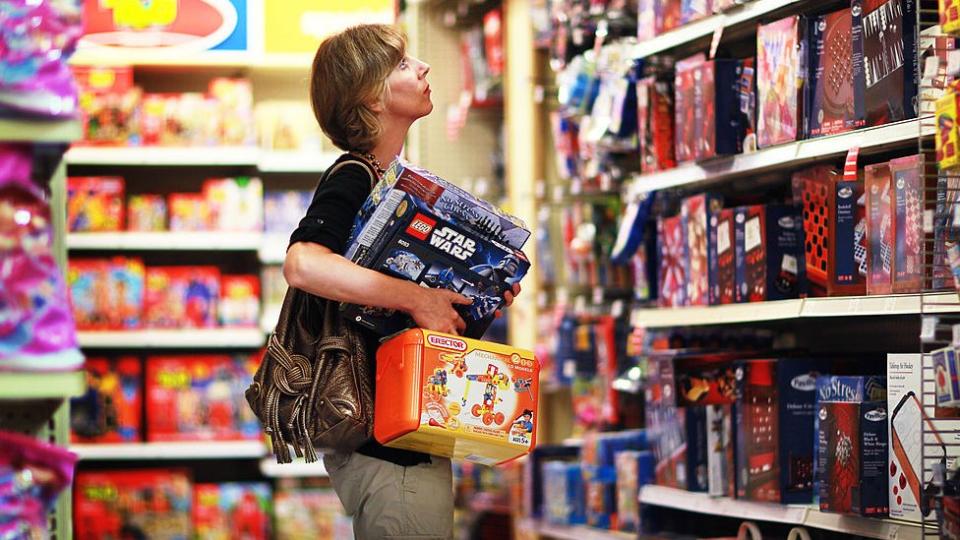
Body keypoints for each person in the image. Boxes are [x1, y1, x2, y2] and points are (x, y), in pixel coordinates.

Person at [283, 24, 520, 539]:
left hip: (408, 435)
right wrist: (420, 299)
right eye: (403, 64)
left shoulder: (398, 183)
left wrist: (472, 297)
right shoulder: (354, 175)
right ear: (371, 97)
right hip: (390, 452)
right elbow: (303, 263)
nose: (424, 68)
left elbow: (394, 312)